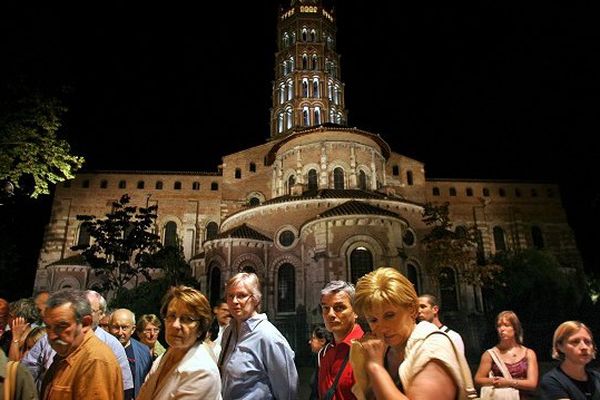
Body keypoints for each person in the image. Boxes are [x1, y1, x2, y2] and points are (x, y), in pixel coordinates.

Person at [351, 267, 477, 400]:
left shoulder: (433, 346)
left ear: (411, 309)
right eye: (373, 320)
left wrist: (375, 368)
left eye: (390, 315)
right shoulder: (383, 350)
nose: (382, 328)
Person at [21, 290, 134, 396]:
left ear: (85, 323)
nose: (52, 335)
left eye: (62, 326)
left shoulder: (95, 360)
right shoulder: (66, 352)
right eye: (49, 327)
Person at [219, 272, 298, 399]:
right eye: (230, 295)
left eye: (242, 296)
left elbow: (287, 390)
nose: (234, 301)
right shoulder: (229, 332)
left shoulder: (268, 336)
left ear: (255, 299)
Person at [136, 285, 221, 400]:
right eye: (171, 316)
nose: (175, 325)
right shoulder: (166, 355)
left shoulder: (202, 371)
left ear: (200, 329)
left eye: (187, 319)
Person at [474, 310, 538, 399]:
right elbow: (478, 379)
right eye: (499, 326)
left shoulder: (528, 353)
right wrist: (495, 381)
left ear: (515, 328)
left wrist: (508, 382)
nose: (502, 329)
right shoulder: (490, 354)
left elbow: (532, 383)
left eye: (506, 325)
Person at [318, 280, 364, 400]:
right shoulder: (324, 353)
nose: (330, 314)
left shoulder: (367, 350)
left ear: (355, 311)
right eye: (325, 308)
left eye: (339, 308)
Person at [540, 320, 600, 400]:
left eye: (587, 342)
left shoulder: (597, 378)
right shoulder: (552, 381)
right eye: (575, 341)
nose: (584, 347)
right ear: (560, 346)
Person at [109, 308, 152, 399]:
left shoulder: (143, 351)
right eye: (116, 327)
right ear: (109, 327)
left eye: (124, 328)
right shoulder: (102, 348)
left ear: (133, 329)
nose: (120, 332)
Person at [309, 326, 333, 400]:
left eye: (313, 338)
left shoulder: (325, 355)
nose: (310, 342)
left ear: (322, 341)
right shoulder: (321, 355)